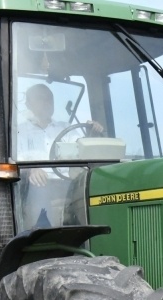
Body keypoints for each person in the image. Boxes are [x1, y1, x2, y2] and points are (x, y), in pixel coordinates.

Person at [16, 83, 102, 228]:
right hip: (36, 186)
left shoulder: (66, 128)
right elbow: (16, 160)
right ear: (28, 104)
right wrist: (31, 169)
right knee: (39, 189)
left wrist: (92, 133)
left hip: (67, 183)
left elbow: (80, 151)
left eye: (49, 99)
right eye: (41, 99)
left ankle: (91, 233)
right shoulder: (20, 132)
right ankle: (42, 238)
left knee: (93, 187)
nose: (46, 102)